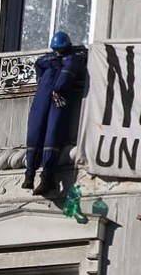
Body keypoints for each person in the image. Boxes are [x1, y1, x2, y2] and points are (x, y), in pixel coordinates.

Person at [23, 31, 85, 195]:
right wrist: (54, 86)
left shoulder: (67, 59)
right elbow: (49, 70)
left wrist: (57, 88)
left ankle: (45, 176)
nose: (58, 52)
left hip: (54, 97)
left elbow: (66, 74)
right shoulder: (52, 60)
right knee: (38, 132)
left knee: (52, 133)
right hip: (49, 97)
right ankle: (30, 174)